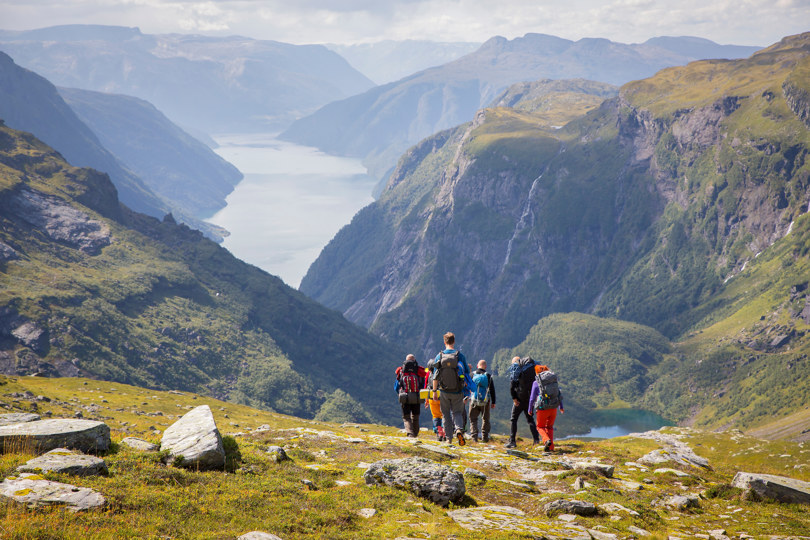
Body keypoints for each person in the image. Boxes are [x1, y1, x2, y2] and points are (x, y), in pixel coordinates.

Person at [431, 332, 473, 446]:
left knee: (445, 414)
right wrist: (467, 388)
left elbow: (435, 376)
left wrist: (434, 391)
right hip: (457, 390)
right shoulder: (460, 356)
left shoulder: (439, 356)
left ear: (444, 342)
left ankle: (449, 439)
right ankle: (459, 430)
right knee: (457, 413)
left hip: (444, 391)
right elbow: (467, 373)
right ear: (454, 341)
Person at [528, 364, 564, 451]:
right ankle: (551, 448)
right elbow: (558, 394)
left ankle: (546, 440)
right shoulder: (552, 381)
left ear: (537, 373)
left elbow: (532, 398)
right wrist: (561, 406)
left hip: (542, 408)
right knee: (550, 427)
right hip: (554, 407)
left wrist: (530, 409)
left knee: (540, 427)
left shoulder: (536, 382)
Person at [506, 355, 540, 448]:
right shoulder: (530, 369)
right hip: (529, 398)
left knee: (513, 419)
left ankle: (512, 441)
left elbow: (512, 386)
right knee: (530, 419)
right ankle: (536, 440)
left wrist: (514, 398)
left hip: (520, 399)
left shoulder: (516, 370)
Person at [394, 354, 426, 437]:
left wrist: (400, 393)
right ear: (414, 360)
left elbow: (396, 386)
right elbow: (424, 383)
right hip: (416, 396)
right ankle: (415, 433)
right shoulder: (419, 370)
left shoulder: (401, 370)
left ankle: (410, 433)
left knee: (406, 417)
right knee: (415, 416)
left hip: (405, 396)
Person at [468, 359, 496, 442]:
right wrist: (493, 402)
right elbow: (492, 390)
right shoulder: (488, 376)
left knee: (473, 419)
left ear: (477, 366)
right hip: (485, 401)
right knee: (485, 419)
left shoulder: (472, 374)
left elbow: (468, 387)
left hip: (473, 400)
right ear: (485, 367)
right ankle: (485, 437)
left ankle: (474, 438)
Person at [424, 364, 446, 441]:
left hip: (432, 398)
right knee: (444, 415)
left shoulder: (428, 374)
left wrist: (426, 400)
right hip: (443, 397)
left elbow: (426, 386)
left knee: (436, 416)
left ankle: (439, 433)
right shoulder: (442, 373)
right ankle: (444, 432)